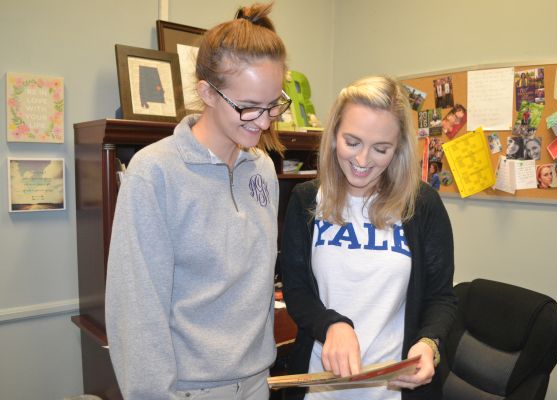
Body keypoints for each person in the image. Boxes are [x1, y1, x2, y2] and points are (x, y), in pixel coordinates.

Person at [105, 4, 291, 399]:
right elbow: (135, 312)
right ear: (207, 91)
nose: (264, 121)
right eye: (248, 107)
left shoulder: (261, 170)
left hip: (257, 381)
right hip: (190, 390)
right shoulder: (154, 172)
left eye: (274, 104)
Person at [281, 76, 457, 400]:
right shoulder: (305, 200)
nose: (362, 161)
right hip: (320, 389)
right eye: (352, 142)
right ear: (334, 135)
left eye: (380, 149)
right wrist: (331, 325)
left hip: (390, 391)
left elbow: (440, 298)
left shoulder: (422, 205)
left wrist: (428, 342)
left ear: (398, 149)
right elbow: (296, 290)